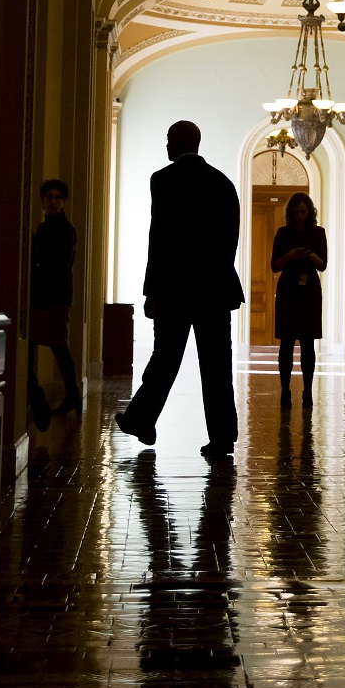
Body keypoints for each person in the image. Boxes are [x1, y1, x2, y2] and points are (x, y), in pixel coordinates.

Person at [114, 121, 245, 457]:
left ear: (178, 141)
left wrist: (151, 291)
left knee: (164, 358)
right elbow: (230, 238)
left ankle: (142, 419)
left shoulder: (163, 180)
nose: (166, 145)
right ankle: (222, 437)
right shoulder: (223, 183)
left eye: (168, 139)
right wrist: (217, 274)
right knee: (217, 365)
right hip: (214, 289)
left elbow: (159, 238)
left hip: (173, 289)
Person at [28, 179, 82, 430]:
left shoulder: (63, 229)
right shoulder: (46, 227)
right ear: (42, 200)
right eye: (48, 196)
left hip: (55, 297)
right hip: (44, 295)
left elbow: (56, 265)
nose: (52, 201)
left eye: (57, 197)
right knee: (43, 345)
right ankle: (69, 396)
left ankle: (71, 395)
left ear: (64, 201)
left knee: (58, 345)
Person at [271, 192, 327, 407]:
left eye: (304, 212)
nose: (300, 216)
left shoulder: (319, 233)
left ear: (310, 212)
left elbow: (323, 265)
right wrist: (290, 255)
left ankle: (308, 391)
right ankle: (285, 390)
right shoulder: (283, 233)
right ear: (291, 213)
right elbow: (274, 266)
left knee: (308, 342)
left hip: (309, 290)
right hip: (288, 289)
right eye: (297, 212)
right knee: (286, 343)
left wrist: (310, 256)